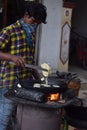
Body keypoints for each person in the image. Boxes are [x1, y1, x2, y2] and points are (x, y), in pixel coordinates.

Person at [0, 1, 47, 130]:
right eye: (34, 22)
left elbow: (29, 61)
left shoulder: (30, 35)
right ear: (26, 16)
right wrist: (11, 57)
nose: (35, 26)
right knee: (4, 119)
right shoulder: (10, 31)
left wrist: (38, 77)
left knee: (19, 118)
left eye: (38, 24)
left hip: (25, 84)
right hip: (9, 83)